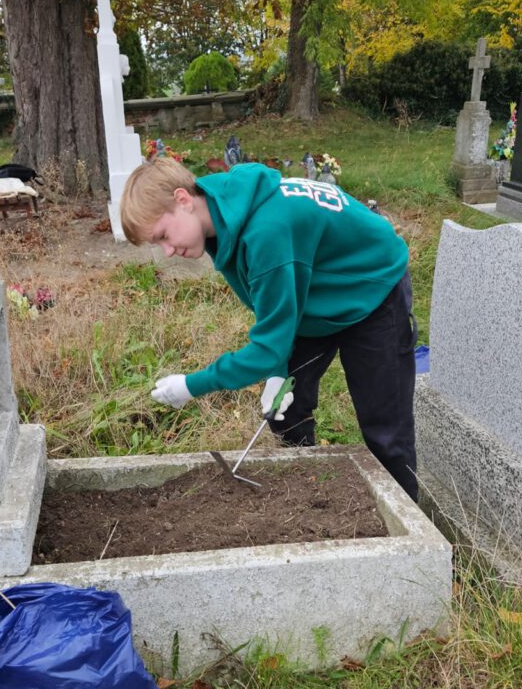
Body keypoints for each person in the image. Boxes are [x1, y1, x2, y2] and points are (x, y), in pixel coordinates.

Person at [120, 159, 418, 502]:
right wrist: (278, 372)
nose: (168, 251)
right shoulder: (221, 220)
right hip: (312, 294)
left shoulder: (265, 230)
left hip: (371, 289)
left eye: (162, 236)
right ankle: (309, 497)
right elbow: (273, 313)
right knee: (285, 411)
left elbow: (266, 348)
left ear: (183, 199)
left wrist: (190, 385)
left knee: (385, 432)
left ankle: (415, 534)